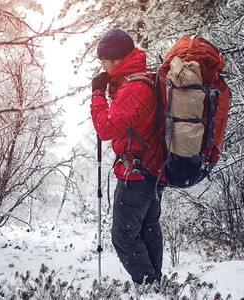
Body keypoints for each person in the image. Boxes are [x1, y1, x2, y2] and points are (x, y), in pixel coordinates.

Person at [90, 28, 167, 285]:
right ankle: (155, 284)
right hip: (152, 170)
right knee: (148, 228)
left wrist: (98, 95)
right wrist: (112, 87)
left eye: (104, 58)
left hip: (136, 174)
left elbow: (105, 128)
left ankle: (148, 285)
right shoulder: (138, 80)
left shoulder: (134, 88)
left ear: (115, 57)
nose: (102, 63)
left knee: (123, 236)